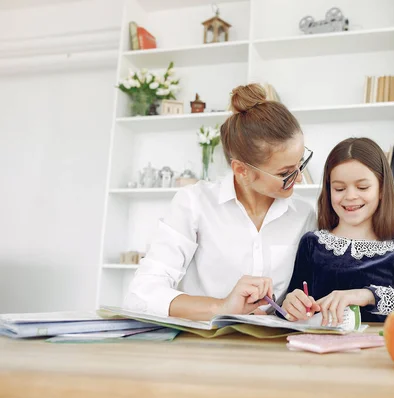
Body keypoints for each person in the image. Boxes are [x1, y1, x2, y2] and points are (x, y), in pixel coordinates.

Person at [123, 83, 316, 320]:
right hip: (203, 347)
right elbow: (141, 295)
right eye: (285, 173)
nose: (299, 178)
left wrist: (295, 303)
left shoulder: (303, 214)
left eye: (301, 163)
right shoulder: (194, 203)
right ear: (242, 170)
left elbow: (306, 291)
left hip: (274, 348)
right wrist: (223, 307)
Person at [281, 137, 394, 326]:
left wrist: (369, 295)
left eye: (362, 187)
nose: (350, 196)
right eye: (339, 188)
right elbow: (287, 311)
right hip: (317, 352)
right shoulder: (312, 244)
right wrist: (290, 305)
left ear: (381, 190)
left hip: (376, 353)